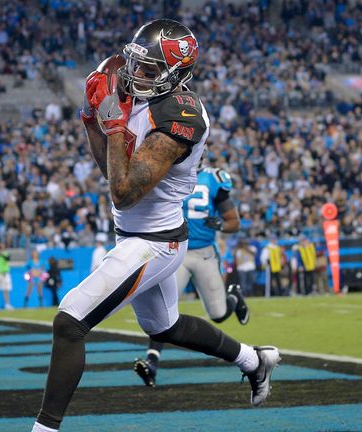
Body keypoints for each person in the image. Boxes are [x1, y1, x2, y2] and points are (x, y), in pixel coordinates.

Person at [32, 19, 280, 432]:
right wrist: (93, 121)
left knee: (69, 321)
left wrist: (112, 127)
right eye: (135, 63)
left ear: (177, 74)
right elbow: (110, 171)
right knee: (165, 326)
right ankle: (255, 361)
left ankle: (43, 430)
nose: (134, 75)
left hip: (156, 241)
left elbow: (125, 192)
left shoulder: (182, 115)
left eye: (148, 70)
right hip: (134, 233)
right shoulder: (128, 81)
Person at [134, 165, 249, 387]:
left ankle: (234, 297)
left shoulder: (214, 179)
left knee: (218, 313)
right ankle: (152, 362)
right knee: (163, 310)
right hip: (176, 250)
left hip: (205, 253)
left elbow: (234, 222)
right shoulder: (165, 171)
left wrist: (221, 226)